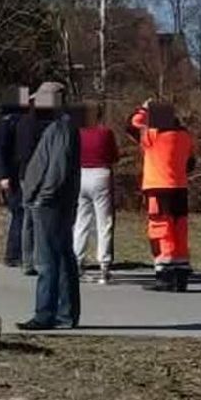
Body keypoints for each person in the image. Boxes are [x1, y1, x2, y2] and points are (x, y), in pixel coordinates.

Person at [17, 82, 81, 331]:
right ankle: (65, 315)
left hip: (51, 204)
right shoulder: (61, 126)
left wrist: (43, 196)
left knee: (47, 261)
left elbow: (58, 168)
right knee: (62, 258)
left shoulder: (63, 127)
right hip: (53, 201)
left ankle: (45, 314)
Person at [127, 100, 196, 292]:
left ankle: (165, 275)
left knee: (160, 229)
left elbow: (131, 125)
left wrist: (143, 109)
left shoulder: (152, 136)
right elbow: (190, 164)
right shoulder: (185, 136)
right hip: (180, 188)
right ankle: (181, 273)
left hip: (157, 188)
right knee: (179, 228)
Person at [13, 84, 59, 275]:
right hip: (37, 173)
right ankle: (40, 260)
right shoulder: (40, 122)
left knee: (29, 219)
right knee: (38, 218)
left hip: (26, 173)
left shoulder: (25, 120)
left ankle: (28, 260)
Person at [75, 103, 119, 284]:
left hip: (81, 174)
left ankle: (77, 260)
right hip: (100, 173)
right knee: (104, 222)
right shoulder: (105, 133)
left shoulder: (77, 132)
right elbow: (114, 156)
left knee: (81, 221)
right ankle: (104, 263)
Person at [0, 86, 28, 268]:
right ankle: (14, 254)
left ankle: (17, 253)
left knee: (20, 212)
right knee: (19, 212)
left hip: (16, 172)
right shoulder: (8, 123)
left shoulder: (12, 121)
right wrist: (3, 175)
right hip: (12, 173)